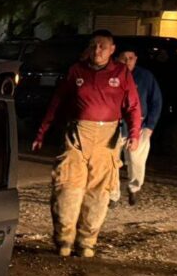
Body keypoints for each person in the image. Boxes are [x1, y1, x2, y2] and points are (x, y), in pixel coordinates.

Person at [31, 29, 141, 258]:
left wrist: (134, 134)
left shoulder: (121, 73)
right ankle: (64, 240)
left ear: (112, 50)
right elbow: (57, 102)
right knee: (67, 187)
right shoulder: (76, 71)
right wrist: (41, 132)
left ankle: (86, 242)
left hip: (107, 137)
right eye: (93, 45)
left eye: (102, 46)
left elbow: (132, 106)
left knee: (99, 192)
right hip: (77, 135)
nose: (97, 50)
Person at [109, 46, 163, 206]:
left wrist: (150, 126)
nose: (127, 62)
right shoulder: (110, 75)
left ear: (136, 59)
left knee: (136, 161)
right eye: (123, 58)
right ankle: (112, 194)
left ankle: (134, 188)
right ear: (116, 59)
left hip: (139, 125)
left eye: (131, 58)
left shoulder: (145, 76)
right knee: (111, 161)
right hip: (114, 125)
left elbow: (156, 101)